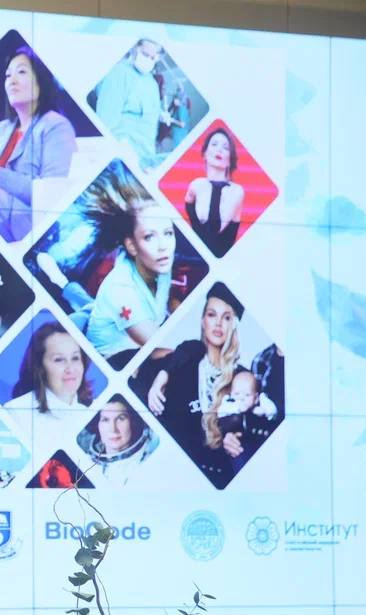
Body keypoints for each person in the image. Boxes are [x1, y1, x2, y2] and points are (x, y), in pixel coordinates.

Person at [0, 46, 77, 243]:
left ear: (41, 81)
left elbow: (52, 196)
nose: (12, 80)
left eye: (21, 72)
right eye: (8, 75)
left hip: (31, 223)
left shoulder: (56, 126)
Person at [143, 282, 245, 487]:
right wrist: (161, 376)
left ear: (234, 325)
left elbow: (247, 428)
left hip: (217, 481)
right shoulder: (183, 362)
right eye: (212, 315)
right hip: (171, 477)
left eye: (226, 317)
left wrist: (235, 439)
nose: (218, 323)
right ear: (202, 321)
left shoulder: (241, 378)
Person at [75, 168, 178, 368]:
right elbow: (157, 347)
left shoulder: (159, 262)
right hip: (109, 365)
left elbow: (167, 302)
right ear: (131, 245)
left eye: (168, 233)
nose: (163, 245)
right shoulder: (120, 290)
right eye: (149, 236)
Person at [7, 322, 94, 457]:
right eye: (59, 360)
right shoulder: (15, 412)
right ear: (39, 366)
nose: (70, 368)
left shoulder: (93, 413)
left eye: (75, 358)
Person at [93, 38, 170, 169]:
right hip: (122, 157)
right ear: (135, 48)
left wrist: (160, 114)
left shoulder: (151, 83)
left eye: (153, 57)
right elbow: (105, 120)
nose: (148, 60)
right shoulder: (119, 73)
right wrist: (115, 150)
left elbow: (149, 111)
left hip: (146, 155)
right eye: (145, 54)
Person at [184, 127, 244, 257]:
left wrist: (217, 188)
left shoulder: (236, 191)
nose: (219, 150)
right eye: (214, 144)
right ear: (205, 153)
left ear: (230, 159)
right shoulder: (196, 185)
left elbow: (215, 228)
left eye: (225, 147)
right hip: (195, 258)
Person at [76, 396, 159, 487]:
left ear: (132, 422)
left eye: (120, 418)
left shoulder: (153, 455)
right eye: (105, 420)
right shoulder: (85, 465)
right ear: (97, 425)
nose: (113, 429)